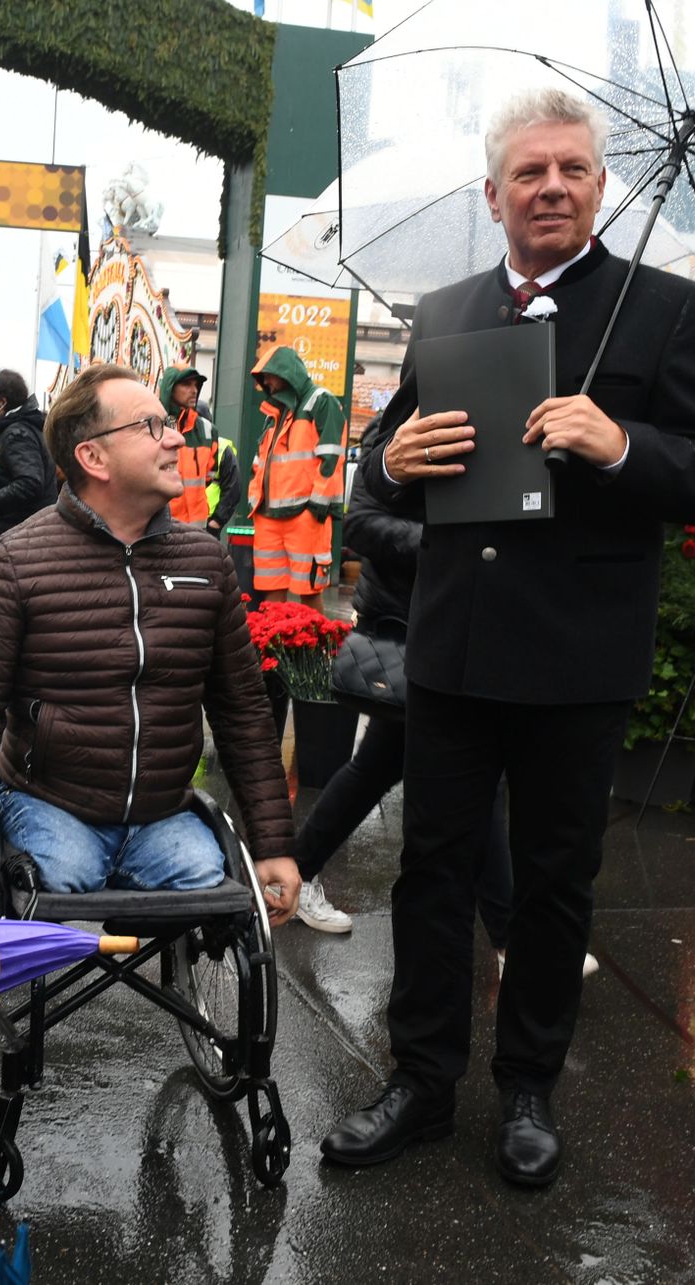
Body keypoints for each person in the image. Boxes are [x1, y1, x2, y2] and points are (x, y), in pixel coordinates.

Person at [321, 87, 695, 1188]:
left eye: (570, 169)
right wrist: (389, 462)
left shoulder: (666, 310)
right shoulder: (446, 311)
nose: (550, 186)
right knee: (431, 871)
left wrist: (619, 444)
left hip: (578, 653)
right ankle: (420, 1080)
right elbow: (383, 465)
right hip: (453, 646)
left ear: (598, 185)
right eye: (528, 171)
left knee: (554, 882)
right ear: (493, 193)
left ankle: (527, 1088)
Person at [0, 362, 302, 923]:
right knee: (63, 873)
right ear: (93, 457)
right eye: (151, 427)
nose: (176, 438)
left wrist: (273, 846)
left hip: (163, 813)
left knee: (209, 882)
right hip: (51, 803)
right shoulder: (11, 564)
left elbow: (243, 709)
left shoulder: (206, 562)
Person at [287, 425, 513, 948]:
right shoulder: (401, 428)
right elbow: (362, 524)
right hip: (412, 628)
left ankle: (294, 875)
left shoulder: (489, 424)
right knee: (479, 780)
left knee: (378, 768)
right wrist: (447, 546)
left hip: (459, 627)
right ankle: (510, 940)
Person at [247, 347, 346, 606]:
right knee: (271, 592)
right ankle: (273, 636)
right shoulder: (275, 412)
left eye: (269, 374)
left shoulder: (321, 401)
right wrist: (255, 502)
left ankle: (312, 639)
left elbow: (332, 459)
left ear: (285, 373)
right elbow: (260, 463)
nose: (265, 381)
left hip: (305, 516)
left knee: (309, 592)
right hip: (268, 517)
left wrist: (315, 508)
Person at [0, 368, 57, 542]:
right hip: (31, 530)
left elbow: (29, 484)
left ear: (0, 403)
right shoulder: (27, 426)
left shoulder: (16, 433)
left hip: (22, 534)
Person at [162, 367, 242, 536]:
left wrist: (215, 522)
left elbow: (209, 478)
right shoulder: (153, 426)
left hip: (198, 532)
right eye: (186, 384)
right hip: (162, 532)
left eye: (196, 385)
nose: (194, 390)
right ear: (170, 388)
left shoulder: (207, 430)